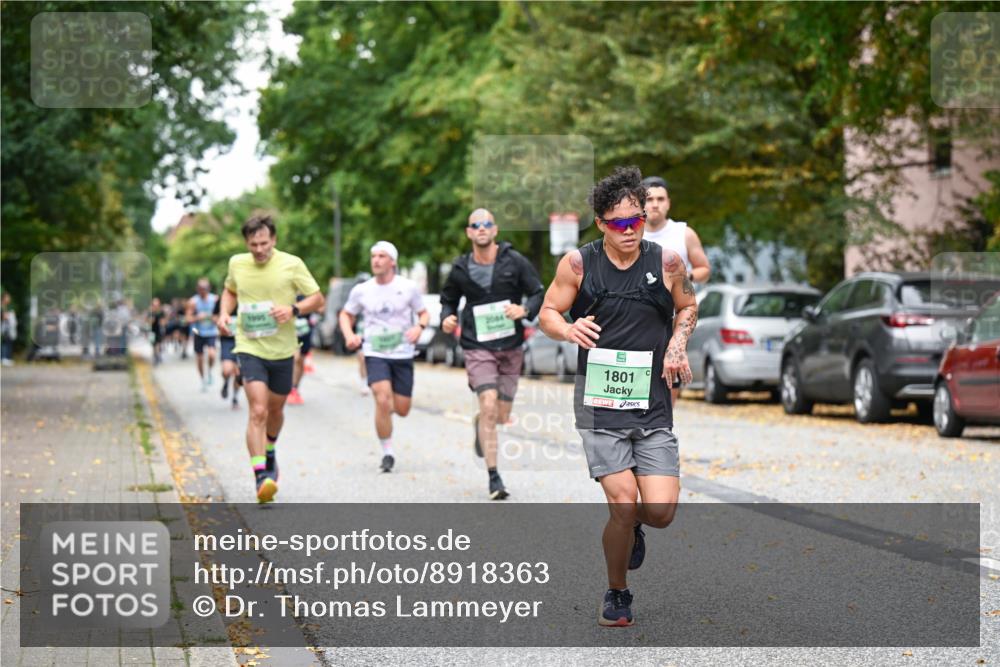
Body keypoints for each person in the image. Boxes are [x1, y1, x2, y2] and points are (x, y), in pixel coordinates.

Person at [538, 166, 698, 627]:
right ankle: (617, 592)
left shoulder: (668, 262)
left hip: (651, 402)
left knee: (661, 511)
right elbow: (548, 311)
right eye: (618, 223)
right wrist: (568, 328)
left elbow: (688, 306)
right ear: (601, 224)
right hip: (600, 402)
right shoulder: (578, 264)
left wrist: (676, 343)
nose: (629, 230)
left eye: (637, 220)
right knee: (623, 503)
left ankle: (635, 531)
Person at [217, 214, 324, 504]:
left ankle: (271, 449)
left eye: (264, 243)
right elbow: (230, 290)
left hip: (282, 349)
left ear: (274, 240)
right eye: (253, 245)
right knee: (259, 411)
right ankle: (261, 476)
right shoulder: (237, 263)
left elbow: (318, 299)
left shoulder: (292, 264)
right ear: (246, 243)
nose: (259, 250)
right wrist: (225, 312)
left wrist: (294, 310)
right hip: (249, 346)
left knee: (275, 412)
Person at [440, 208, 544, 500]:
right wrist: (447, 318)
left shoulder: (514, 261)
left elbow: (538, 291)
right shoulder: (460, 268)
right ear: (469, 232)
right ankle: (494, 478)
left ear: (495, 230)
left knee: (500, 414)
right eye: (476, 225)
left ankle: (481, 424)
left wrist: (524, 310)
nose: (482, 228)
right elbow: (448, 300)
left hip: (510, 347)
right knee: (487, 404)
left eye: (487, 224)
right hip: (477, 346)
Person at [339, 241, 428, 473]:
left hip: (402, 353)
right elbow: (346, 314)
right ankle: (387, 452)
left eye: (381, 256)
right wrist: (349, 335)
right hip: (375, 352)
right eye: (373, 256)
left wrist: (419, 327)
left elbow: (424, 313)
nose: (376, 260)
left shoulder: (408, 287)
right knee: (382, 398)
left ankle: (386, 409)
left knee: (402, 408)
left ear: (392, 261)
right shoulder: (362, 289)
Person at [641, 175, 710, 405]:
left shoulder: (683, 233)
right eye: (649, 199)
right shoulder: (631, 234)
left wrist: (683, 278)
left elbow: (704, 269)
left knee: (668, 380)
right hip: (638, 318)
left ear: (668, 202)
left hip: (674, 320)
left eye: (660, 199)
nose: (655, 204)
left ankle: (663, 426)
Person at [186, 278, 219, 391]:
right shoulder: (193, 302)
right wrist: (197, 317)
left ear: (208, 288)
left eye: (204, 289)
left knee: (212, 354)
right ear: (197, 289)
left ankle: (209, 371)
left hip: (211, 331)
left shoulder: (214, 299)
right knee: (199, 359)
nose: (202, 291)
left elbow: (220, 315)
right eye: (200, 289)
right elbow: (187, 319)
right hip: (198, 332)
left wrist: (215, 319)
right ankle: (202, 379)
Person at [213, 296, 242, 409]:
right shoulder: (222, 299)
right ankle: (226, 382)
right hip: (227, 339)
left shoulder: (249, 296)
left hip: (244, 340)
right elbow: (214, 316)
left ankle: (235, 397)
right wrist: (221, 322)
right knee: (226, 370)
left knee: (239, 373)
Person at [287, 295, 316, 405]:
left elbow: (316, 312)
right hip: (292, 336)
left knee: (301, 363)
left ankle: (295, 387)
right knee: (295, 358)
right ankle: (290, 387)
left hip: (305, 335)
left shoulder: (308, 296)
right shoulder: (286, 295)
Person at [148, 297, 166, 365]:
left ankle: (157, 356)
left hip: (158, 330)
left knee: (158, 343)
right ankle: (155, 356)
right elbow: (149, 321)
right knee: (153, 344)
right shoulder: (151, 312)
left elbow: (163, 321)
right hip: (151, 331)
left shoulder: (161, 312)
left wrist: (162, 324)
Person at [1, 291, 17, 366]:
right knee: (4, 342)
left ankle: (7, 358)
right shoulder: (1, 306)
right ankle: (3, 358)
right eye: (8, 297)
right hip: (3, 327)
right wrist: (7, 315)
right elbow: (3, 316)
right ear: (4, 298)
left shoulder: (6, 307)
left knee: (8, 342)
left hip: (7, 328)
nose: (9, 299)